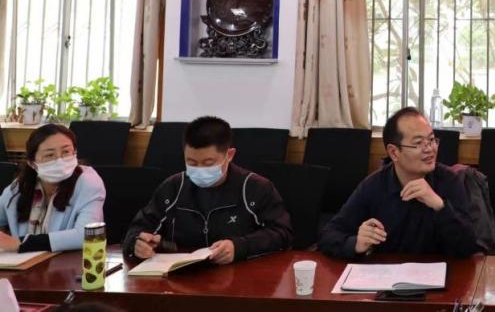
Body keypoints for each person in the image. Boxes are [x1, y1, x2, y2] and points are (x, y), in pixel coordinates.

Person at [123, 116, 292, 264]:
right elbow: (138, 228)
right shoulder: (173, 187)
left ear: (229, 155)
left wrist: (239, 247)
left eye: (208, 163)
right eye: (191, 162)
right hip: (180, 277)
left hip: (240, 276)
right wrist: (136, 243)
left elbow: (282, 234)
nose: (199, 169)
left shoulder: (256, 188)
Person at [318, 107, 478, 258]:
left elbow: (468, 246)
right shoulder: (374, 186)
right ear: (394, 152)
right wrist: (356, 243)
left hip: (442, 274)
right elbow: (329, 234)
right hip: (386, 275)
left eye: (431, 140)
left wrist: (439, 206)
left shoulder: (449, 181)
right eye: (418, 143)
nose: (429, 149)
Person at [0, 123, 105, 252]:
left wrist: (21, 243)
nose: (59, 160)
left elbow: (86, 235)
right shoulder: (19, 187)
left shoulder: (88, 183)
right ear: (32, 163)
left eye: (66, 152)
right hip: (22, 261)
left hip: (68, 261)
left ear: (75, 153)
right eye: (50, 155)